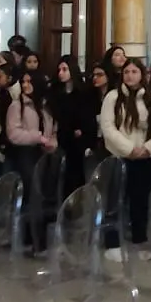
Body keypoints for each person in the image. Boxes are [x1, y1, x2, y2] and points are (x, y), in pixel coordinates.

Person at [100, 59, 151, 263]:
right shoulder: (113, 97)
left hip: (144, 158)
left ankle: (139, 241)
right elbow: (108, 128)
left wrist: (148, 148)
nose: (130, 75)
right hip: (119, 157)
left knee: (140, 202)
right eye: (126, 71)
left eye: (134, 71)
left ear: (142, 74)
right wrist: (129, 149)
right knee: (114, 201)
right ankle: (112, 243)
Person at [6, 70, 57, 243]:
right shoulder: (17, 106)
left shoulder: (44, 106)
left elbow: (52, 128)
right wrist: (37, 137)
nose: (25, 85)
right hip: (26, 153)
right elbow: (13, 133)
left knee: (45, 194)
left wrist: (51, 142)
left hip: (44, 153)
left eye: (29, 81)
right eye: (23, 82)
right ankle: (31, 237)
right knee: (32, 195)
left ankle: (41, 235)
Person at [52, 55, 96, 199]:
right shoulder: (57, 93)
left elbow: (87, 119)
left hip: (77, 143)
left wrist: (81, 132)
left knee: (75, 176)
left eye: (65, 69)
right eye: (59, 70)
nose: (61, 73)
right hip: (62, 139)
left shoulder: (83, 93)